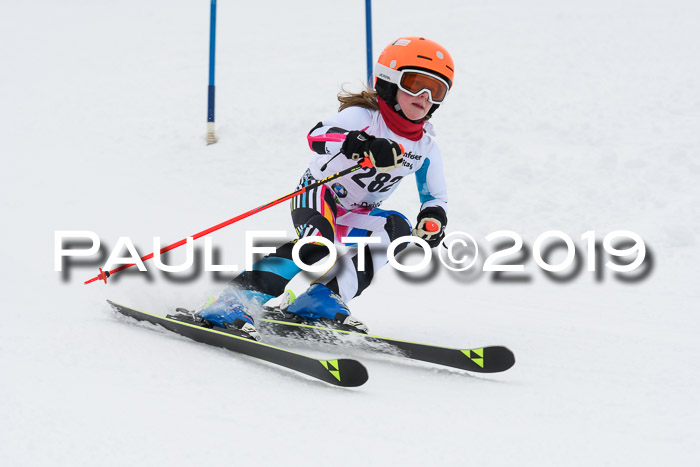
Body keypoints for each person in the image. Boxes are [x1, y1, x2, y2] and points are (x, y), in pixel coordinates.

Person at [197, 36, 454, 340]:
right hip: (319, 194)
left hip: (357, 212)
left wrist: (433, 218)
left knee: (397, 227)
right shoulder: (364, 117)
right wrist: (362, 143)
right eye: (414, 84)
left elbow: (435, 197)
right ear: (389, 80)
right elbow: (318, 136)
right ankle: (231, 302)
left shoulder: (425, 147)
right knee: (318, 243)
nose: (424, 96)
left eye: (435, 90)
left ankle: (320, 300)